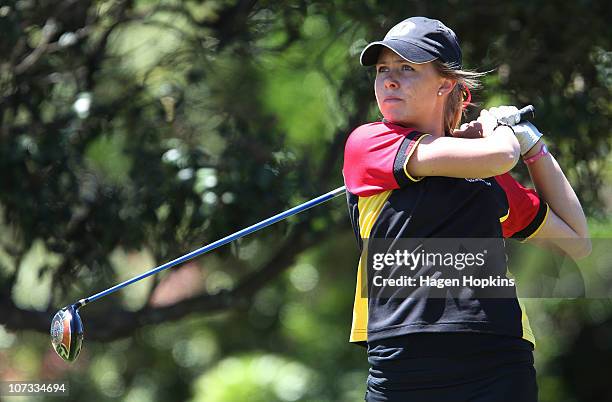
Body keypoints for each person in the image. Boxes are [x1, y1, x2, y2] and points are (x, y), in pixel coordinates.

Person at [342, 16, 591, 402]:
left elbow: (577, 241)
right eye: (382, 70)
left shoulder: (488, 179)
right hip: (404, 360)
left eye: (407, 68)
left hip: (497, 360)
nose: (389, 80)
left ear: (446, 84)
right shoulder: (369, 142)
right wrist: (507, 135)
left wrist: (533, 145)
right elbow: (497, 154)